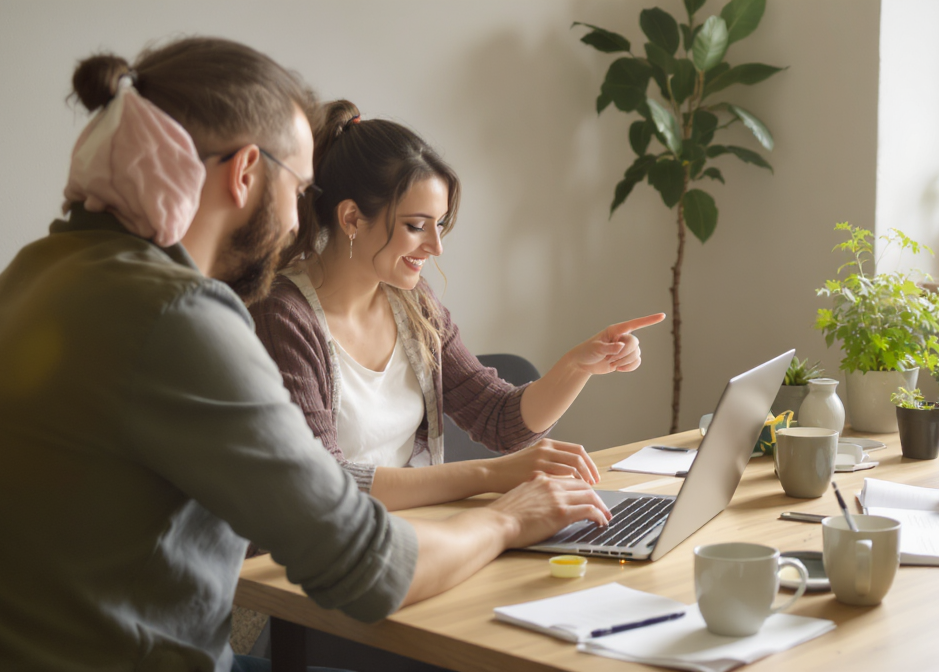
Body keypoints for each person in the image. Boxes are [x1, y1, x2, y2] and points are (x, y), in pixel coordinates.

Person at [0, 38, 609, 671]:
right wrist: (510, 514)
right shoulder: (178, 314)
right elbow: (368, 569)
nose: (300, 219)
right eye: (302, 189)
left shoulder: (37, 270)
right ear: (248, 172)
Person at [249, 100, 664, 511]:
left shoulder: (413, 305)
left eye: (439, 224)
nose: (436, 246)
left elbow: (500, 420)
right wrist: (490, 475)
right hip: (316, 559)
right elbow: (322, 482)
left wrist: (578, 365)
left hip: (413, 538)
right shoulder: (283, 316)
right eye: (416, 226)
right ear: (352, 219)